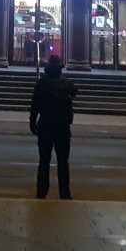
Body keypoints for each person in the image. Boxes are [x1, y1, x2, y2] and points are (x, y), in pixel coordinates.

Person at [28, 53, 78, 200]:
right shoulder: (65, 84)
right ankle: (64, 192)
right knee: (63, 162)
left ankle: (41, 191)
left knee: (44, 161)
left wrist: (32, 122)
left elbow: (34, 105)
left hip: (45, 126)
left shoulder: (41, 83)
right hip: (62, 127)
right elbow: (75, 91)